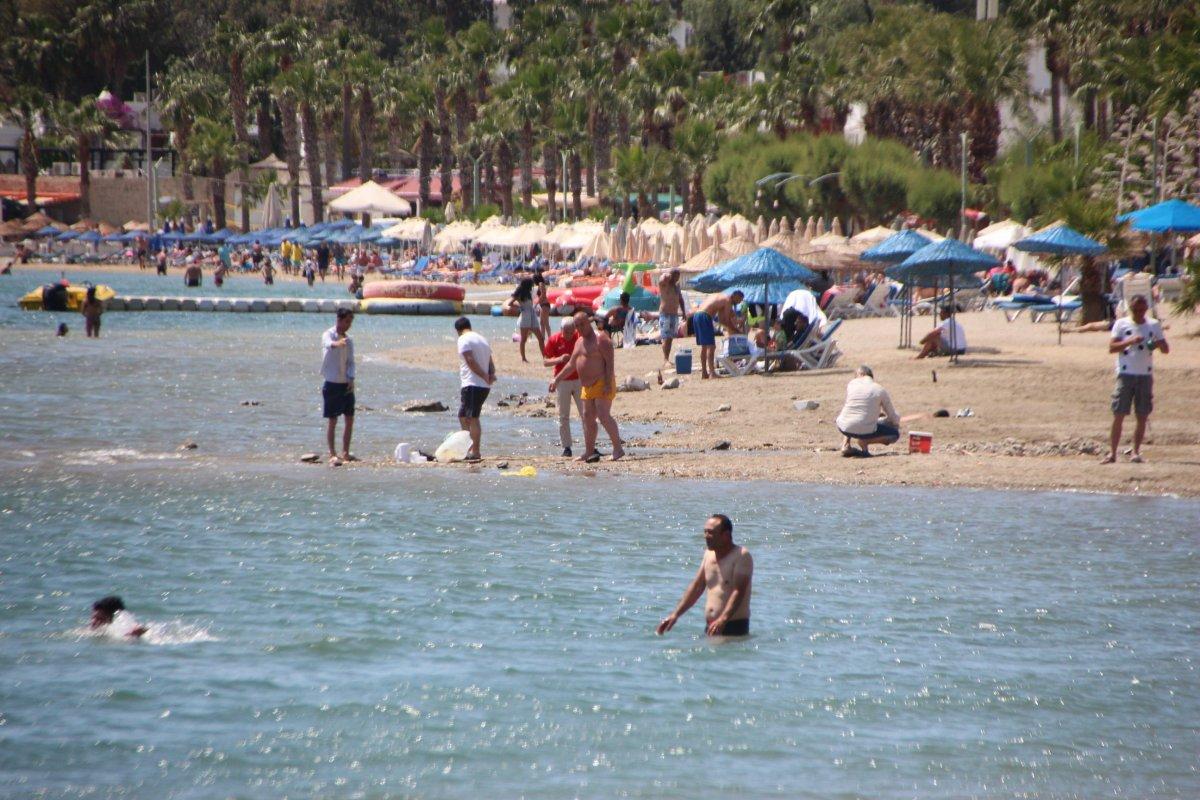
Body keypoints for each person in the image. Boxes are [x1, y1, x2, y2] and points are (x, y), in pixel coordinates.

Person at [656, 514, 753, 638]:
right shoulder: (708, 555)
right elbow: (697, 587)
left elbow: (739, 592)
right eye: (705, 532)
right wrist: (675, 615)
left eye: (711, 533)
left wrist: (723, 619)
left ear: (726, 535)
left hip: (733, 626)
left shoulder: (741, 556)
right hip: (711, 626)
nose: (706, 536)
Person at [1103, 294, 1169, 464]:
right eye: (1135, 310)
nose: (1139, 313)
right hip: (1125, 373)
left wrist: (1157, 344)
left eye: (1142, 309)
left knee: (1142, 415)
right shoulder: (1121, 324)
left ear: (1146, 308)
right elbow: (1112, 347)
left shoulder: (1153, 325)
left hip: (1145, 375)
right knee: (1119, 413)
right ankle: (1112, 453)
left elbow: (1165, 349)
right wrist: (1130, 341)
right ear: (1130, 309)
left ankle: (1136, 452)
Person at [550, 311, 623, 462]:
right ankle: (589, 451)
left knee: (603, 415)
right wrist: (557, 379)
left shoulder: (601, 338)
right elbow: (571, 365)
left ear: (588, 322)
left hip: (602, 381)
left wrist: (608, 384)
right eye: (577, 326)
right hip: (586, 386)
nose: (580, 328)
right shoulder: (579, 342)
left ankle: (618, 448)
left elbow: (610, 363)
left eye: (582, 324)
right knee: (588, 418)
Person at [834, 365, 901, 457]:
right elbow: (893, 417)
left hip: (843, 427)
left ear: (860, 374)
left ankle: (845, 444)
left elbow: (859, 406)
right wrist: (895, 424)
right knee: (895, 434)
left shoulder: (851, 385)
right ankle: (865, 441)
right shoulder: (880, 390)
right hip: (866, 430)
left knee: (851, 414)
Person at [455, 316, 496, 462]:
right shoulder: (482, 339)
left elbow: (470, 360)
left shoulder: (463, 339)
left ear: (458, 331)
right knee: (463, 416)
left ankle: (476, 451)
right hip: (481, 385)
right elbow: (490, 361)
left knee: (472, 417)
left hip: (473, 383)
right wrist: (491, 374)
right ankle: (466, 448)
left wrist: (485, 375)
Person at [543, 317, 584, 457]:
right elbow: (545, 361)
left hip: (579, 379)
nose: (569, 335)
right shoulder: (554, 340)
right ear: (561, 330)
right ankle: (567, 447)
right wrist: (560, 359)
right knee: (563, 415)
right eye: (566, 332)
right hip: (562, 381)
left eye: (571, 332)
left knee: (586, 414)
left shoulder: (579, 338)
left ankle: (591, 445)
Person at [321, 308, 356, 466]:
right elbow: (328, 345)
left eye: (350, 322)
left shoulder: (349, 341)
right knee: (333, 420)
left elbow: (351, 362)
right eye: (347, 321)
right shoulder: (328, 334)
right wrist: (337, 343)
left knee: (349, 419)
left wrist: (351, 378)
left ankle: (346, 452)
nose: (348, 325)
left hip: (345, 384)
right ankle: (332, 453)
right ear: (339, 320)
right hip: (332, 383)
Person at [692, 290, 745, 379]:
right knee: (711, 346)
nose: (739, 302)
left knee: (704, 346)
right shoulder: (728, 300)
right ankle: (712, 373)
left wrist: (736, 322)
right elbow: (724, 320)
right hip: (705, 316)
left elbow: (724, 317)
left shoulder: (722, 297)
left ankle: (704, 373)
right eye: (740, 300)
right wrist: (736, 330)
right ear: (736, 296)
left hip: (697, 315)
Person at [506, 277, 544, 363]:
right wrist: (520, 307)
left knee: (540, 338)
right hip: (525, 316)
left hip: (532, 315)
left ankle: (544, 356)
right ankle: (523, 358)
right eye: (531, 285)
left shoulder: (528, 293)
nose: (532, 286)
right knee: (524, 339)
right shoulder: (520, 293)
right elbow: (510, 303)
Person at [657, 268, 686, 365]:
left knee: (670, 338)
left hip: (674, 314)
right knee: (666, 337)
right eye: (675, 276)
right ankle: (665, 359)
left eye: (678, 277)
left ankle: (667, 358)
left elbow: (680, 299)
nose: (677, 279)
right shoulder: (665, 284)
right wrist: (667, 274)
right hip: (665, 313)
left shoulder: (677, 286)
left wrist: (684, 312)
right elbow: (661, 279)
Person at [534, 271, 552, 342]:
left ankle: (550, 337)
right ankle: (543, 337)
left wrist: (537, 302)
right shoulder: (540, 284)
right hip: (543, 305)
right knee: (541, 322)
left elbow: (543, 294)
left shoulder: (541, 284)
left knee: (546, 322)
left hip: (545, 305)